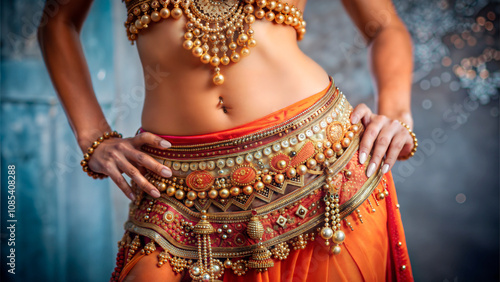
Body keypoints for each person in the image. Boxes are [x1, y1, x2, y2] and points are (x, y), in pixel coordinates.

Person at [38, 0, 417, 281]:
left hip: (318, 169)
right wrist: (93, 137)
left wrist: (398, 115)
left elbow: (384, 26)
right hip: (177, 186)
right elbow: (58, 21)